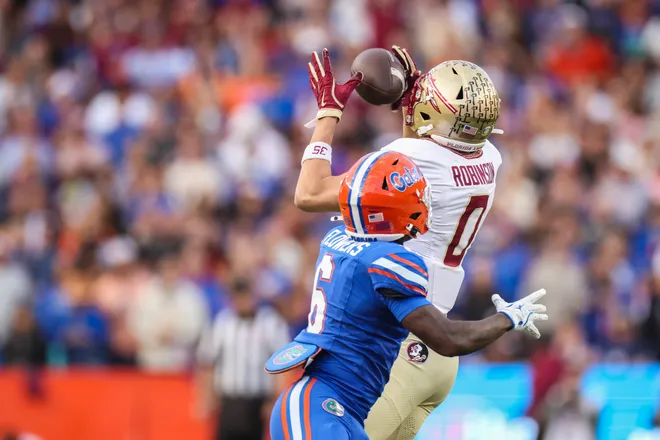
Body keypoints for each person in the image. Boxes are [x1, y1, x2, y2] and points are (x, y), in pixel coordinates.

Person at [294, 47, 510, 439]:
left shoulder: (412, 158)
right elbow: (426, 148)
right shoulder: (489, 157)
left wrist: (328, 112)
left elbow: (308, 193)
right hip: (435, 348)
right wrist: (414, 106)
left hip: (397, 344)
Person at [266, 149, 548, 439]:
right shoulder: (387, 263)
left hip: (336, 410)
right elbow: (449, 339)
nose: (421, 202)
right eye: (414, 197)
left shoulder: (337, 237)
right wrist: (507, 319)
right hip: (321, 407)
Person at [196, 277, 290, 440]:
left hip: (258, 400)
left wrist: (276, 400)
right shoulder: (221, 323)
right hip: (229, 400)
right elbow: (208, 362)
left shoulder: (271, 323)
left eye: (246, 296)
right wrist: (206, 395)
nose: (242, 301)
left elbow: (282, 366)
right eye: (238, 296)